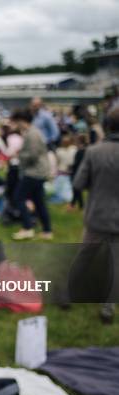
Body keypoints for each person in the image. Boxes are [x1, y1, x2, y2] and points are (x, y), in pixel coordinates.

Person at [72, 107, 119, 324]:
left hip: (98, 215)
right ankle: (108, 307)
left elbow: (79, 183)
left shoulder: (94, 152)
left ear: (107, 125)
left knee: (84, 257)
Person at [10, 109, 53, 240]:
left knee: (18, 197)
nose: (16, 125)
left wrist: (19, 155)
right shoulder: (32, 132)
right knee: (39, 201)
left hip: (34, 172)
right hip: (38, 171)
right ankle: (47, 230)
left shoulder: (32, 134)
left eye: (16, 122)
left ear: (22, 121)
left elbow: (32, 155)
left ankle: (27, 227)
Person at [68, 133, 87, 211]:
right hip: (80, 171)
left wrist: (71, 167)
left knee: (76, 189)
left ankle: (77, 205)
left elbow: (77, 163)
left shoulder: (81, 151)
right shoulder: (84, 149)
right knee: (76, 189)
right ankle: (76, 205)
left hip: (77, 171)